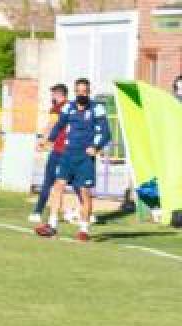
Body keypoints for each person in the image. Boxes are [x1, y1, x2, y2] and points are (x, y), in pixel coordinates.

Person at [34, 78, 110, 242]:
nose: (81, 94)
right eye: (79, 91)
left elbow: (106, 133)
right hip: (67, 154)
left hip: (85, 157)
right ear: (75, 92)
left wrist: (96, 148)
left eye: (85, 91)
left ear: (89, 92)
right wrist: (48, 140)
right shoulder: (69, 107)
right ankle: (52, 225)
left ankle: (84, 229)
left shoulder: (97, 108)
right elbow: (59, 125)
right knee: (57, 186)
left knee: (84, 192)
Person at [29, 84, 69, 224]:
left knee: (48, 181)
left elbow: (51, 125)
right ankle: (83, 213)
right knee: (74, 183)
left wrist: (42, 140)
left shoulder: (57, 108)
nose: (51, 97)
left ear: (58, 94)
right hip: (71, 150)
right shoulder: (72, 107)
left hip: (58, 150)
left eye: (52, 94)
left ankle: (37, 211)